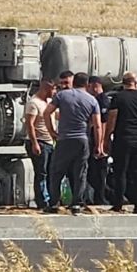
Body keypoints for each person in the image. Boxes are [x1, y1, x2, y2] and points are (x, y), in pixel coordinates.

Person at [43, 72, 104, 215]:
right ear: (87, 84)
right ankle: (77, 203)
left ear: (73, 82)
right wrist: (99, 144)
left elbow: (47, 112)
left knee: (56, 171)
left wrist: (51, 131)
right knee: (80, 172)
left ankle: (54, 203)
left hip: (64, 138)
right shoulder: (92, 100)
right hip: (82, 139)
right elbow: (98, 124)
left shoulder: (62, 96)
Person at [104, 71, 137, 213]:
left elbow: (112, 119)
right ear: (136, 83)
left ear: (123, 83)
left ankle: (118, 203)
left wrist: (107, 138)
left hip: (123, 139)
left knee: (120, 172)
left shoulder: (118, 98)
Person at [24, 78, 56, 208]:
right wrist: (34, 143)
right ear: (47, 88)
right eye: (53, 89)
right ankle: (42, 200)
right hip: (40, 141)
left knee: (50, 171)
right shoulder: (33, 103)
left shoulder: (48, 102)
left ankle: (50, 198)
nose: (55, 92)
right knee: (41, 172)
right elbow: (30, 124)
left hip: (50, 141)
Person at [85, 76, 111, 205]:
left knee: (99, 171)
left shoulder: (102, 100)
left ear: (95, 86)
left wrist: (101, 142)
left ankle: (101, 196)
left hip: (99, 139)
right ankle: (99, 195)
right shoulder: (95, 100)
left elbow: (103, 123)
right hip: (94, 137)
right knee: (91, 170)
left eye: (89, 87)